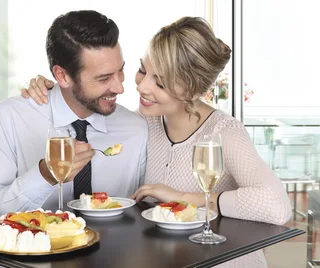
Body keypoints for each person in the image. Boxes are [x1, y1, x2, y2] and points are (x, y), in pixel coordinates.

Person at [22, 16, 291, 267]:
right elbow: (86, 99)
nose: (142, 86)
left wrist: (185, 198)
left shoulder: (224, 132)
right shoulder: (143, 123)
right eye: (142, 70)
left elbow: (276, 206)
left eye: (160, 83)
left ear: (196, 90)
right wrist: (58, 88)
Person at [0, 10, 148, 224]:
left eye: (120, 71)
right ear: (62, 76)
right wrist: (44, 175)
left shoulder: (136, 129)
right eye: (104, 78)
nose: (119, 87)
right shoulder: (9, 119)